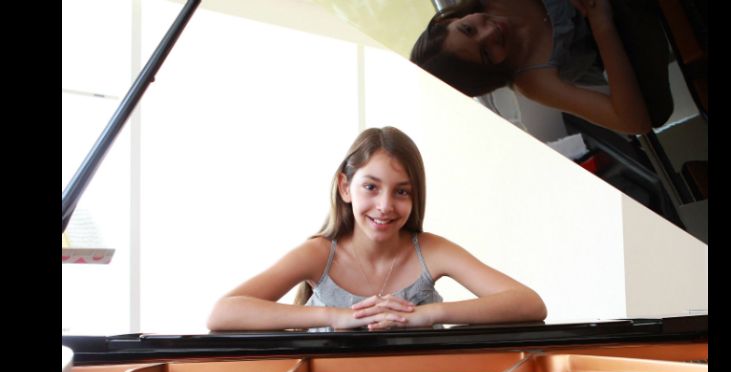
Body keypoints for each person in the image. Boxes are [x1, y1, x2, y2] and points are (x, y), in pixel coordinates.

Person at [207, 126, 547, 332]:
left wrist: (428, 315)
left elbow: (529, 303)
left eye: (401, 191)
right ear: (345, 187)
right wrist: (335, 317)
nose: (385, 205)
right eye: (371, 187)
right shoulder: (318, 253)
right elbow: (223, 312)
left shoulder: (431, 250)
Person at [410, 0, 673, 134]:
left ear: (451, 19)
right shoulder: (531, 81)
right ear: (491, 73)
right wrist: (601, 23)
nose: (490, 32)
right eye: (487, 54)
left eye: (468, 28)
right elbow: (634, 122)